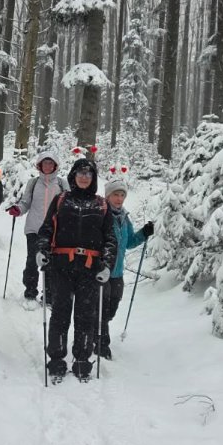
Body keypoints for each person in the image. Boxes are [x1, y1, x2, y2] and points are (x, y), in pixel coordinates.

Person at [36, 154, 117, 381]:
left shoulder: (101, 204)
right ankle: (56, 359)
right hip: (61, 265)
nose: (84, 177)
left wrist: (107, 265)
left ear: (94, 178)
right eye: (80, 173)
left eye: (88, 173)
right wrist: (42, 250)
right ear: (73, 175)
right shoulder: (61, 200)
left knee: (85, 316)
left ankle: (82, 359)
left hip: (90, 269)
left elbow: (110, 239)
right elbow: (46, 229)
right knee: (60, 314)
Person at [101, 172, 154, 359]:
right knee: (101, 309)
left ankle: (96, 330)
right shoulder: (101, 214)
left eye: (122, 195)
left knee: (111, 309)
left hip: (118, 273)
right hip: (101, 271)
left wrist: (143, 233)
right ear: (108, 196)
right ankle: (101, 344)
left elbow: (130, 241)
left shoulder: (124, 217)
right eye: (115, 194)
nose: (119, 198)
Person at [6, 149, 67, 303]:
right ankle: (30, 291)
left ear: (55, 166)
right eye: (45, 163)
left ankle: (49, 295)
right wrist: (18, 209)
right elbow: (25, 203)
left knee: (51, 263)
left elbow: (68, 205)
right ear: (40, 165)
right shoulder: (33, 183)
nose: (48, 166)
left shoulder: (62, 183)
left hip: (54, 230)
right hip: (34, 228)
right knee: (32, 261)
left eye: (51, 163)